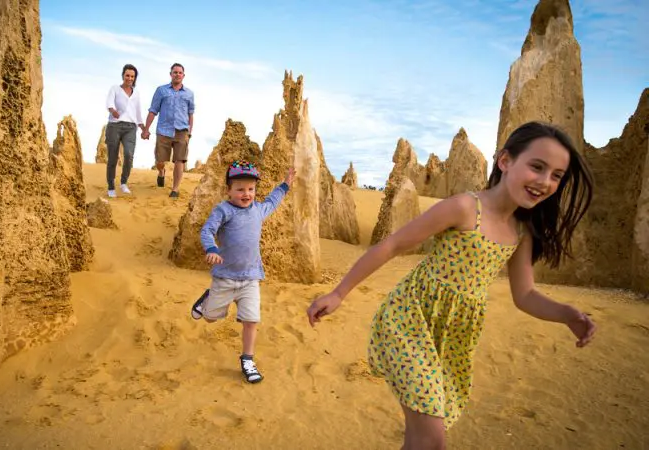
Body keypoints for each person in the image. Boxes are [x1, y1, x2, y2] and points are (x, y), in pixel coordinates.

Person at [306, 122, 596, 449]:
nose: (545, 181)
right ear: (505, 162)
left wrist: (567, 314)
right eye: (537, 166)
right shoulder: (464, 207)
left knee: (424, 439)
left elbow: (525, 295)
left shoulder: (521, 232)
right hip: (409, 319)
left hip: (454, 335)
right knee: (432, 438)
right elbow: (392, 246)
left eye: (557, 175)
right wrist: (338, 292)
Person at [190, 161, 296, 383]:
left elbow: (273, 201)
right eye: (240, 189)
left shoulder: (258, 209)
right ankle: (207, 299)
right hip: (224, 278)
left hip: (250, 278)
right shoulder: (223, 210)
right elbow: (208, 230)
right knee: (210, 319)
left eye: (250, 189)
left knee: (251, 320)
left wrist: (285, 185)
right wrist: (211, 248)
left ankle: (247, 359)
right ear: (228, 190)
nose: (246, 194)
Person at [142, 63, 194, 198]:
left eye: (180, 72)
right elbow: (153, 110)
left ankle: (175, 189)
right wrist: (146, 129)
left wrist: (189, 133)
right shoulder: (161, 90)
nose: (177, 74)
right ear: (170, 74)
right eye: (175, 72)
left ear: (183, 75)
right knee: (160, 161)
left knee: (180, 160)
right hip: (164, 131)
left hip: (182, 131)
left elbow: (190, 114)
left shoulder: (189, 94)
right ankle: (161, 172)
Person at [105, 63, 146, 198]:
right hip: (115, 125)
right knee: (113, 157)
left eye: (132, 76)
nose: (129, 78)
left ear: (135, 78)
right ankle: (111, 186)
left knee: (129, 155)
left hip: (130, 127)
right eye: (127, 75)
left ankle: (123, 182)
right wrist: (113, 111)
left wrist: (142, 126)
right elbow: (109, 103)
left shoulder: (136, 93)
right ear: (123, 75)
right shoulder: (115, 89)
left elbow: (137, 110)